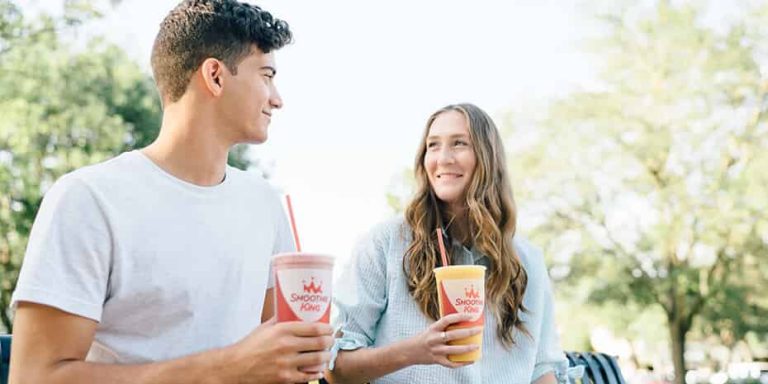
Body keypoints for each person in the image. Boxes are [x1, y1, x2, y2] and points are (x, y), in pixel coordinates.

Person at [9, 1, 333, 383]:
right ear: (215, 75)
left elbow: (274, 354)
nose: (277, 98)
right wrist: (225, 369)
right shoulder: (88, 199)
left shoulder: (264, 203)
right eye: (267, 75)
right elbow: (34, 376)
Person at [327, 103, 570, 383]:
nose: (443, 158)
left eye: (459, 143)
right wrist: (415, 351)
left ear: (488, 158)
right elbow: (337, 369)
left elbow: (542, 369)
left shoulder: (526, 259)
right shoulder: (386, 244)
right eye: (433, 145)